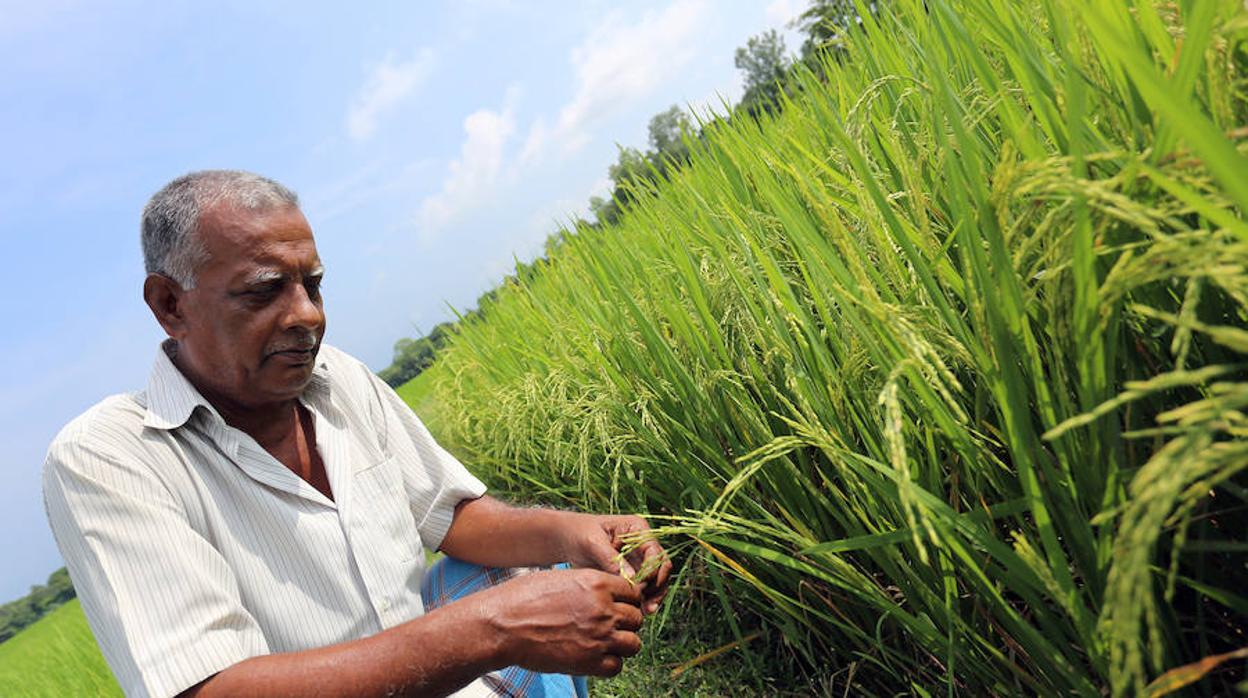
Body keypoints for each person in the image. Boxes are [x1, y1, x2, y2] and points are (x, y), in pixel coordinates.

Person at [42, 170, 672, 698]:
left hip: (440, 674)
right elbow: (210, 689)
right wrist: (495, 630)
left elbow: (452, 517)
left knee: (548, 559)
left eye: (312, 284)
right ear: (170, 305)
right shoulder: (107, 457)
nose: (307, 316)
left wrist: (575, 530)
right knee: (516, 598)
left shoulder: (334, 376)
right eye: (264, 292)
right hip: (437, 660)